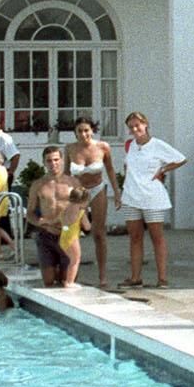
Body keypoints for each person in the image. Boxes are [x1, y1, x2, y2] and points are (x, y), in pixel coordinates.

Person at [117, 112, 185, 289]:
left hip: (152, 197)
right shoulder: (130, 145)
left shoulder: (157, 145)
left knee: (157, 238)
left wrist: (163, 170)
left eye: (137, 125)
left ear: (145, 124)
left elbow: (180, 159)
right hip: (131, 196)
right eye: (131, 127)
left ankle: (162, 278)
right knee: (135, 237)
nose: (135, 129)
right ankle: (135, 277)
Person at [66, 116, 116, 288]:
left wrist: (117, 193)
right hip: (78, 191)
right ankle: (73, 273)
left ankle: (102, 276)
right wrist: (64, 196)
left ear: (92, 130)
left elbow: (110, 170)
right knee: (72, 233)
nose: (83, 134)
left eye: (86, 130)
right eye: (79, 131)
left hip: (97, 189)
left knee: (99, 233)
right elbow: (66, 174)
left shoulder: (103, 147)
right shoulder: (70, 148)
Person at [26, 146, 76, 287]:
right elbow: (29, 213)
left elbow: (82, 207)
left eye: (56, 160)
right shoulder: (38, 185)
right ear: (44, 162)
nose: (53, 163)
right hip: (46, 235)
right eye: (49, 160)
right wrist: (41, 222)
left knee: (66, 281)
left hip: (66, 234)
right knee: (48, 281)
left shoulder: (72, 182)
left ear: (61, 160)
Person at [57, 183, 89, 287]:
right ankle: (69, 282)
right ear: (83, 201)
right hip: (72, 237)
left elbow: (59, 220)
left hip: (63, 237)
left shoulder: (65, 209)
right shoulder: (81, 212)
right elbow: (88, 227)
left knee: (70, 259)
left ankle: (66, 280)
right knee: (75, 260)